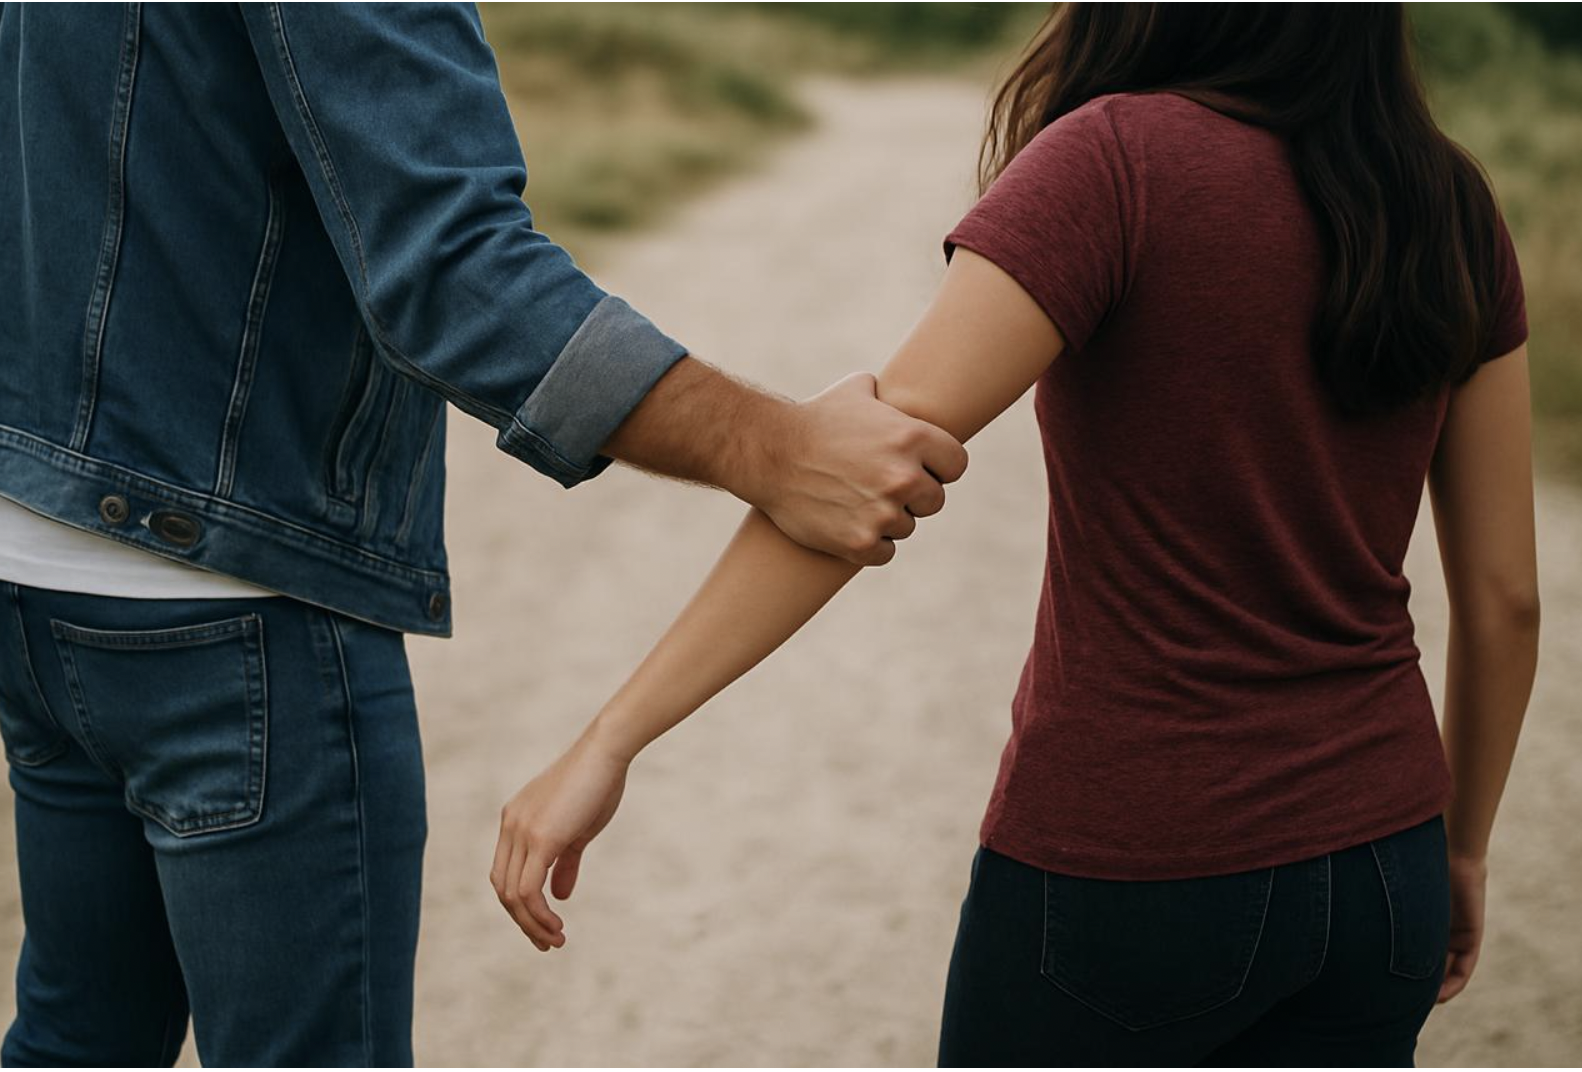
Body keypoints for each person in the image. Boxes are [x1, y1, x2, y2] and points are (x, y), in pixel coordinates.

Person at [497, 3, 1541, 1066]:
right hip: (1385, 861)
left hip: (1133, 867)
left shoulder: (1116, 162)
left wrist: (611, 737)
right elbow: (1506, 599)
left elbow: (852, 479)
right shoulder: (1450, 203)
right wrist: (1460, 850)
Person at [0, 4, 968, 1066]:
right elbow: (452, 265)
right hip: (232, 599)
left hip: (33, 559)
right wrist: (773, 449)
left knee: (76, 1034)